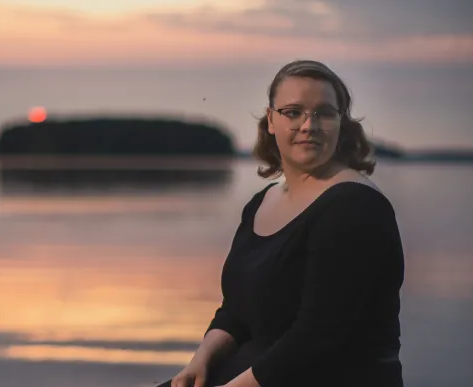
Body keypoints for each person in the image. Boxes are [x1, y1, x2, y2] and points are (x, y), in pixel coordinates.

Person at [156, 59, 405, 387]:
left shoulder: (355, 206)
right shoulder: (262, 202)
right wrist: (200, 360)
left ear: (341, 124)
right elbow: (236, 311)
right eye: (293, 112)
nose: (308, 125)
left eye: (324, 113)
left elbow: (317, 338)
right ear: (271, 120)